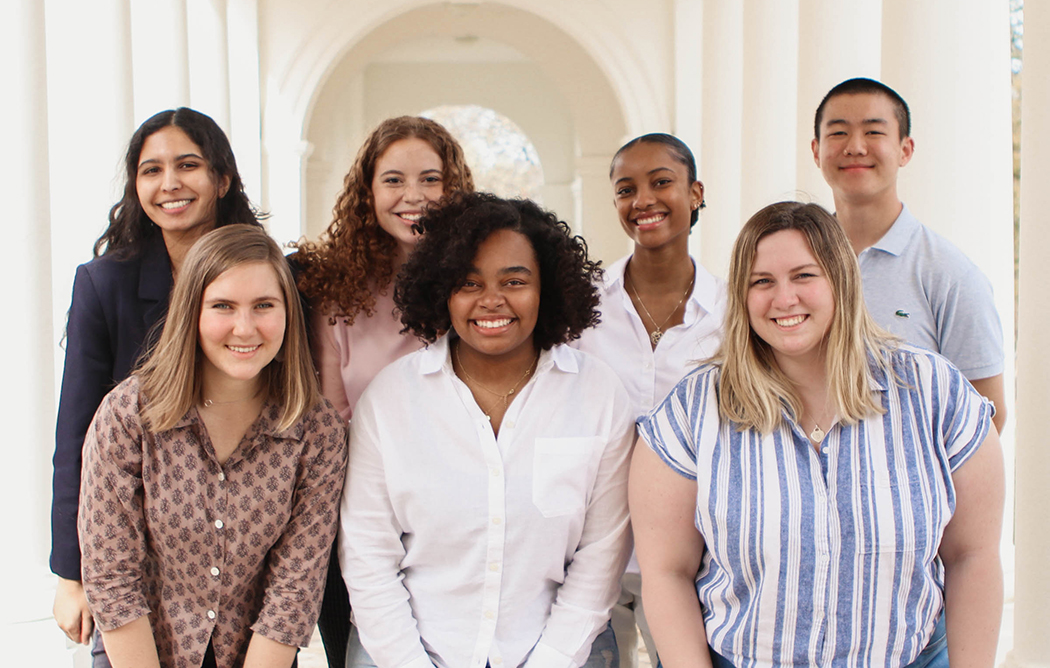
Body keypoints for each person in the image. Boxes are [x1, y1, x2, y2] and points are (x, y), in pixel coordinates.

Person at [630, 201, 1005, 668]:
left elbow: (973, 556)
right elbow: (667, 572)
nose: (784, 299)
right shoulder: (691, 410)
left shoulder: (935, 393)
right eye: (761, 281)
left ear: (841, 279)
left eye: (804, 276)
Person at [340, 192, 634, 668]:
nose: (491, 300)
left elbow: (602, 553)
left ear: (548, 289)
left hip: (564, 648)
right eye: (468, 283)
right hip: (403, 650)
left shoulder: (598, 395)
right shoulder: (391, 399)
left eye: (514, 280)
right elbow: (368, 555)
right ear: (442, 291)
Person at [79, 224, 348, 668]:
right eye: (223, 306)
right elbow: (113, 579)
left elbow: (293, 591)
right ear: (193, 313)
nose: (245, 328)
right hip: (139, 650)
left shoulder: (317, 432)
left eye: (264, 305)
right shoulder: (128, 416)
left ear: (287, 314)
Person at [50, 107, 263, 664]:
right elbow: (75, 430)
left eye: (188, 165)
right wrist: (70, 573)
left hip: (240, 555)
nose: (169, 184)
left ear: (222, 179)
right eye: (151, 170)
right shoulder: (103, 284)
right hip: (131, 549)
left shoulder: (268, 276)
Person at [291, 116, 474, 667]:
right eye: (393, 180)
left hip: (463, 516)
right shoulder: (335, 293)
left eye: (430, 180)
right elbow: (329, 421)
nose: (412, 196)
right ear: (368, 193)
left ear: (454, 189)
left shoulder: (475, 285)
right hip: (363, 517)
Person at [575, 133, 725, 667]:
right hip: (592, 550)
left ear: (696, 192)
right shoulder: (581, 305)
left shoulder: (733, 314)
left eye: (661, 182)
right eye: (626, 188)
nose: (643, 200)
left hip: (697, 556)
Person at [811, 77, 1006, 432]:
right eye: (838, 133)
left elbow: (986, 418)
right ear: (816, 150)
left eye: (873, 132)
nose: (855, 147)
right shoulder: (794, 263)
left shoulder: (951, 275)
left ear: (905, 150)